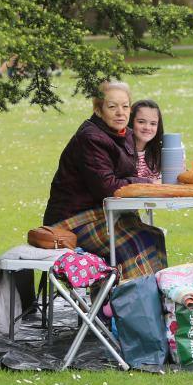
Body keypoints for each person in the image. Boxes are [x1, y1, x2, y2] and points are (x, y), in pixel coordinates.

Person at [43, 81, 167, 279]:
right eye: (112, 106)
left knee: (154, 235)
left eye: (125, 106)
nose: (120, 112)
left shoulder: (123, 134)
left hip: (104, 215)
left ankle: (155, 300)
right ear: (98, 109)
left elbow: (123, 178)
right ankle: (129, 304)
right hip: (72, 220)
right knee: (134, 241)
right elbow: (108, 187)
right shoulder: (91, 138)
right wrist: (147, 184)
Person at [129, 100, 163, 182]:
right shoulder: (121, 151)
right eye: (141, 122)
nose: (147, 127)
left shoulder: (162, 151)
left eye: (153, 123)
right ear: (130, 122)